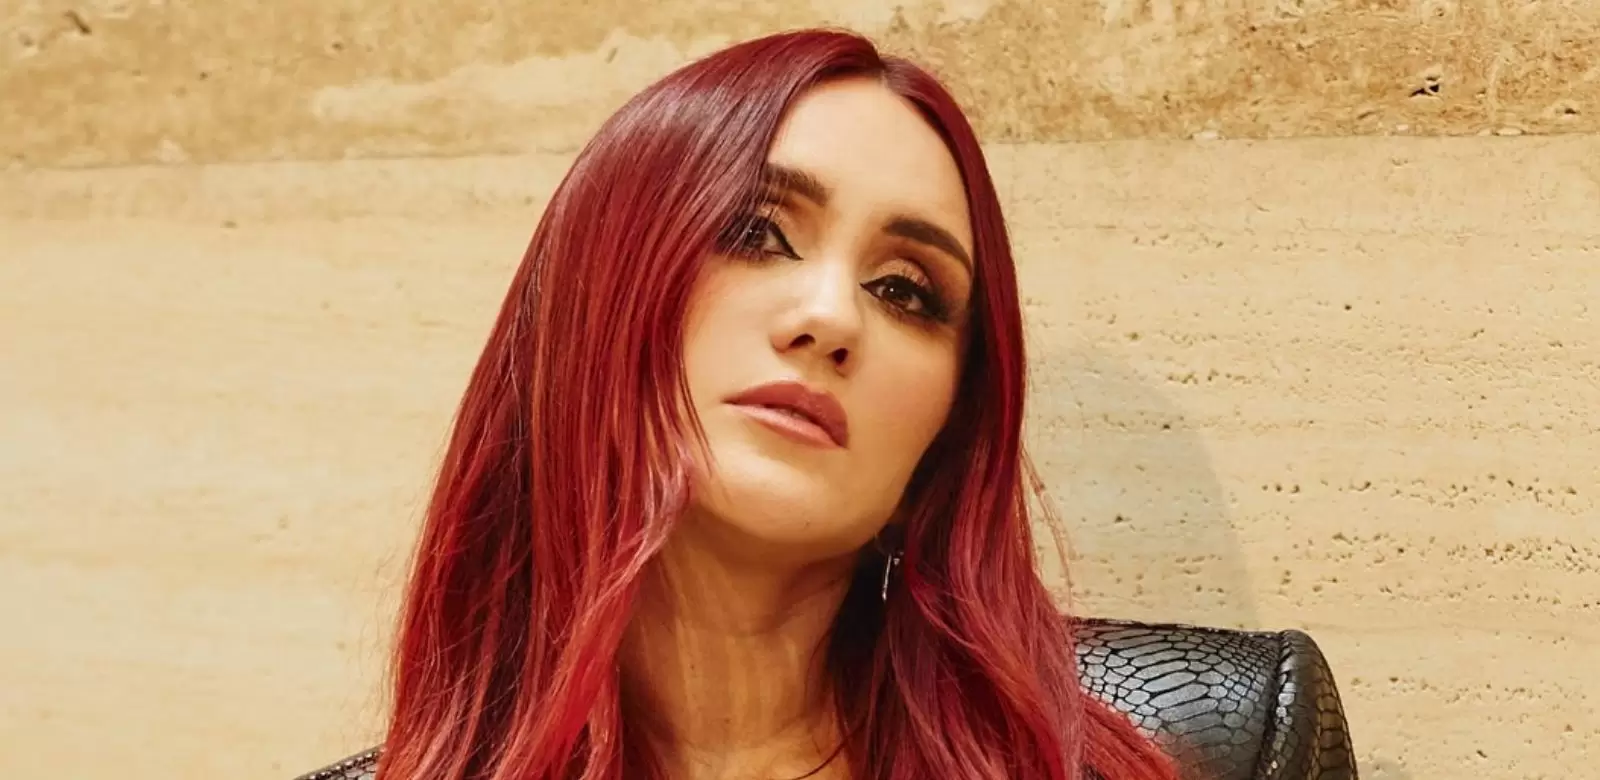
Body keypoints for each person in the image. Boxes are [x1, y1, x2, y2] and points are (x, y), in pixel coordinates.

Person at [295, 28, 1351, 780]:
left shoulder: (1213, 741)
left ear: (947, 434)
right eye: (755, 232)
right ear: (589, 302)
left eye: (907, 292)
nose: (830, 317)